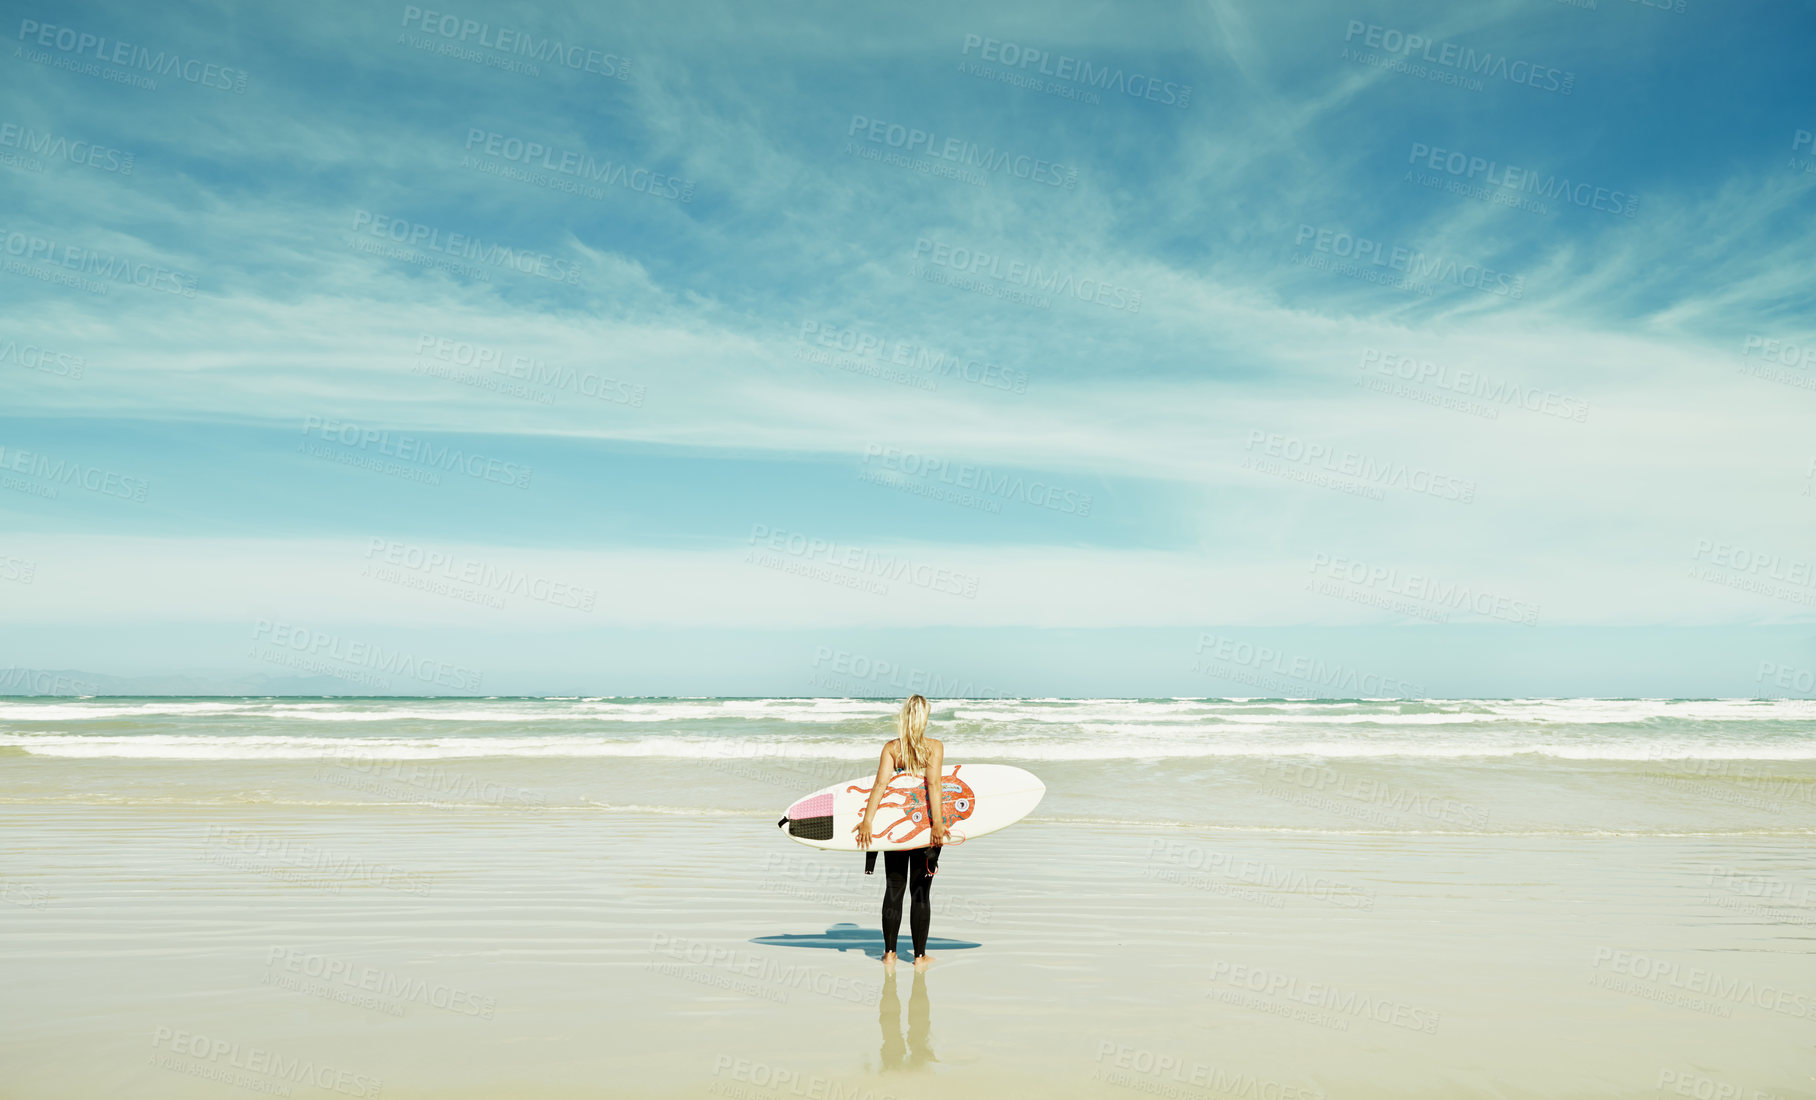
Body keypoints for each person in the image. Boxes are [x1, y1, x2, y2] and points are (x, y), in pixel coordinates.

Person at [854, 694, 945, 971]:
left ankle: (890, 954)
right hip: (923, 829)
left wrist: (868, 821)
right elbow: (934, 786)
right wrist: (938, 824)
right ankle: (919, 958)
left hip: (895, 831)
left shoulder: (892, 749)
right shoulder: (934, 747)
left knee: (894, 889)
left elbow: (880, 786)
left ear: (905, 717)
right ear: (924, 718)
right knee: (920, 892)